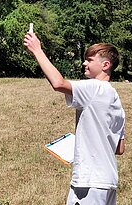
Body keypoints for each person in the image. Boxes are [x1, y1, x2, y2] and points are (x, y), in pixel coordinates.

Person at [23, 32, 125, 205]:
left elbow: (58, 83)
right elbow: (119, 148)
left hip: (89, 181)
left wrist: (37, 50)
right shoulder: (116, 100)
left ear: (105, 65)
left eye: (90, 60)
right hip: (107, 181)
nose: (84, 63)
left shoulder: (95, 87)